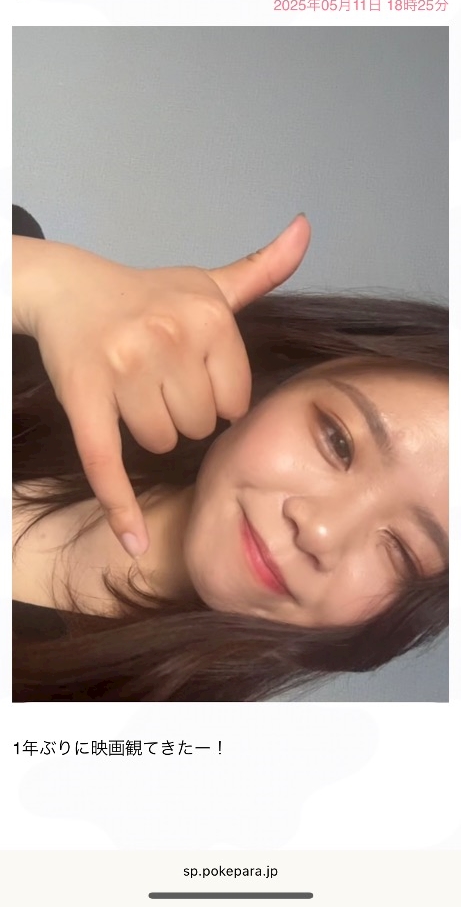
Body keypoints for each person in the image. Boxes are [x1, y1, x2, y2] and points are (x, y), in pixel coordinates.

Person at [12, 206, 448, 702]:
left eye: (401, 551)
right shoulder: (25, 311)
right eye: (339, 442)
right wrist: (35, 278)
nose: (321, 530)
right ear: (283, 378)